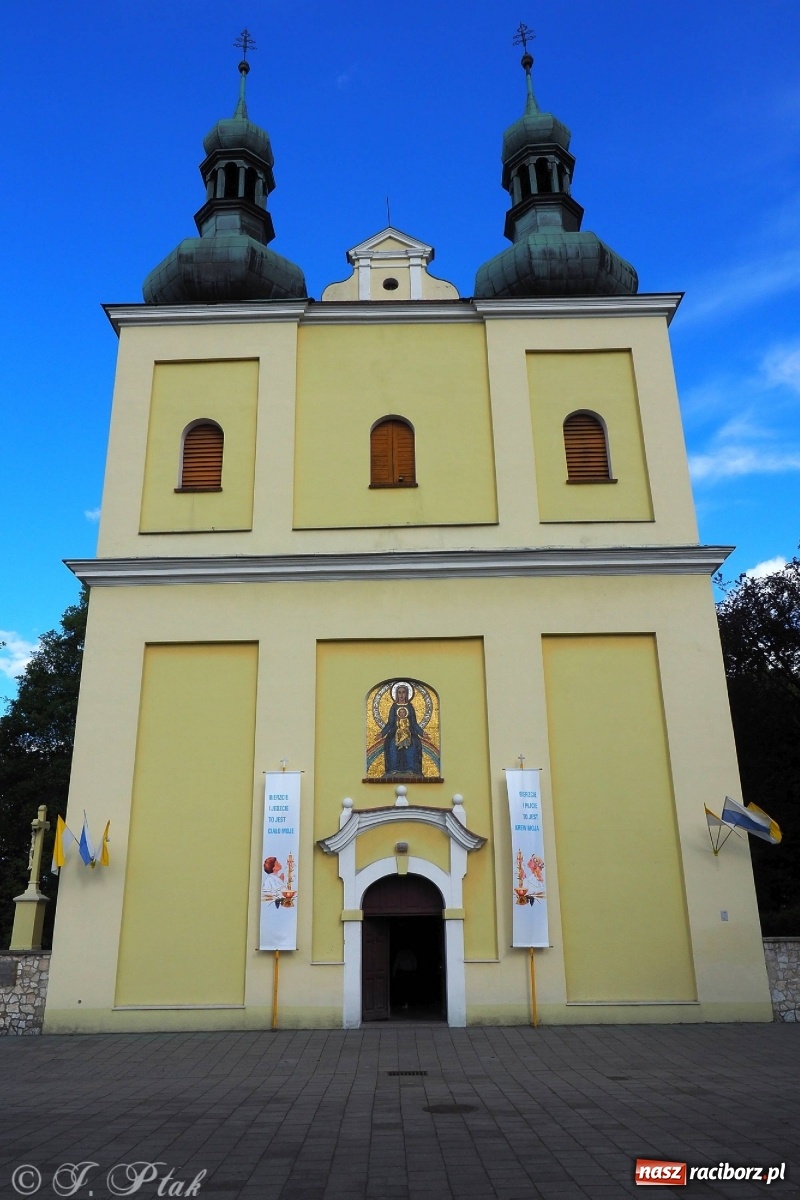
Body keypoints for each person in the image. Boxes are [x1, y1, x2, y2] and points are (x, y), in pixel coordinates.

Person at [382, 682, 424, 777]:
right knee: (392, 743)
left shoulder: (410, 707)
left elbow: (414, 723)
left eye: (403, 692)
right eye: (399, 692)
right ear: (396, 694)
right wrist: (382, 733)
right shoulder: (394, 707)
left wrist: (422, 733)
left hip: (409, 733)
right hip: (395, 733)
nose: (401, 695)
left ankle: (412, 769)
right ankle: (393, 769)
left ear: (407, 694)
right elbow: (389, 723)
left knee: (413, 744)